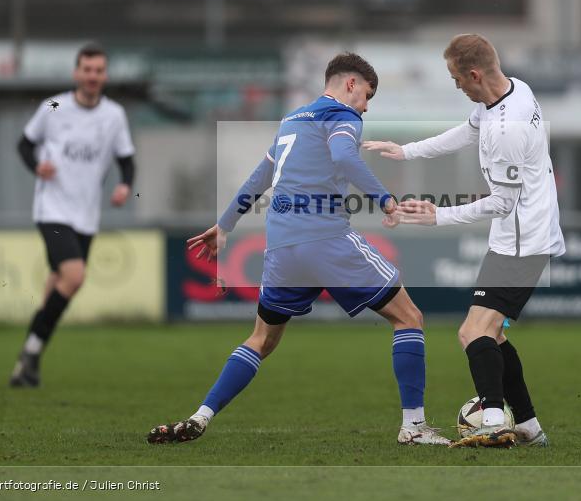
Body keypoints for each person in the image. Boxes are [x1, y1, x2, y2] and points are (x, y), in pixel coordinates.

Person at [147, 53, 450, 446]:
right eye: (367, 95)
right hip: (325, 239)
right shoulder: (343, 116)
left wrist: (224, 225)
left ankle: (200, 417)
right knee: (409, 318)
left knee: (261, 340)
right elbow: (344, 156)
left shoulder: (292, 121)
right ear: (351, 84)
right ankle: (413, 428)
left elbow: (261, 176)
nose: (367, 106)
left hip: (282, 247)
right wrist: (386, 201)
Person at [364, 34, 564, 448]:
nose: (456, 86)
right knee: (493, 335)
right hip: (518, 236)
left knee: (474, 333)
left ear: (474, 75)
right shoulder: (513, 92)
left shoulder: (507, 129)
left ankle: (493, 419)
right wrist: (407, 152)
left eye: (457, 78)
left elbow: (502, 202)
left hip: (523, 241)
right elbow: (466, 132)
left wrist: (437, 216)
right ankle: (528, 427)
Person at [10, 43, 136, 388]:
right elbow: (24, 143)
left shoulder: (114, 114)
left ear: (105, 75)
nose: (92, 76)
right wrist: (38, 166)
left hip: (86, 214)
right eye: (87, 70)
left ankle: (28, 357)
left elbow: (126, 159)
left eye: (98, 71)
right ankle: (31, 357)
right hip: (51, 209)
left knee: (57, 285)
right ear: (76, 73)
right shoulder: (54, 105)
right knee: (75, 276)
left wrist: (126, 185)